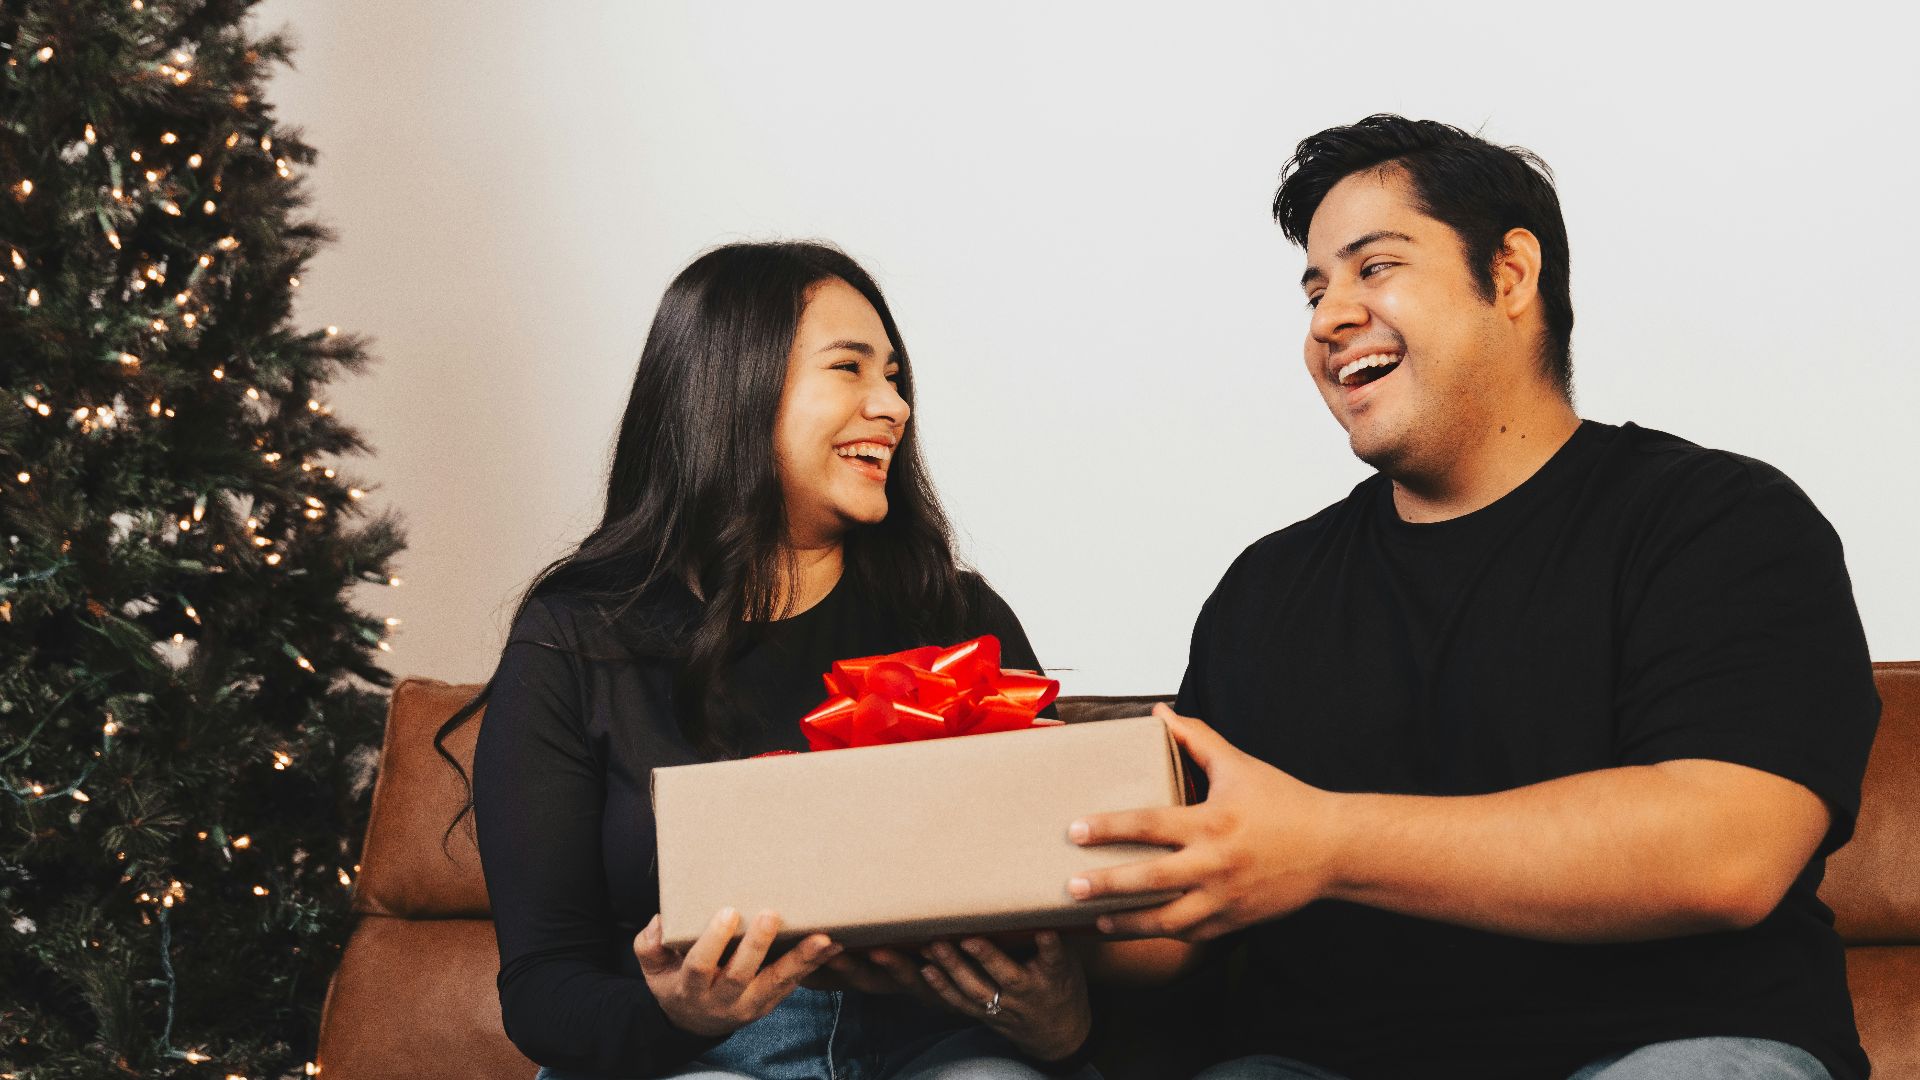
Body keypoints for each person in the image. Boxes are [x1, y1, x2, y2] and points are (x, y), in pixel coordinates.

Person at [1065, 116, 1880, 1079]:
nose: (1329, 318)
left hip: (1671, 1048)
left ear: (1510, 275)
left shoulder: (1719, 521)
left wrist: (1329, 841)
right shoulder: (1267, 590)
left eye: (1374, 268)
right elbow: (1177, 915)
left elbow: (1727, 853)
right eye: (1317, 288)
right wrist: (1003, 939)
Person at [440, 242, 1097, 1079]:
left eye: (894, 375)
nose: (892, 404)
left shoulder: (958, 617)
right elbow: (542, 990)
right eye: (850, 368)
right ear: (732, 389)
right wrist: (674, 1017)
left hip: (935, 1046)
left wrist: (1062, 1021)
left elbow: (1065, 913)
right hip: (689, 1060)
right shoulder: (575, 636)